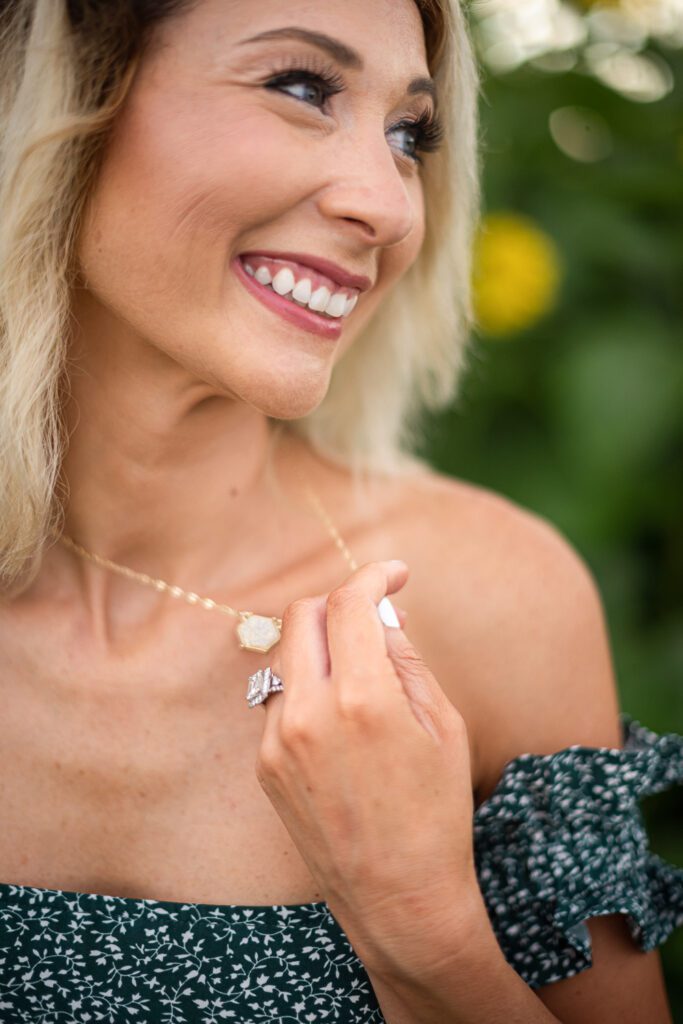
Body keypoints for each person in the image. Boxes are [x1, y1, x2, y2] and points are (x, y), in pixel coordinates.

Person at [0, 1, 680, 1021]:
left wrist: (422, 926)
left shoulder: (496, 602)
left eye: (409, 135)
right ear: (61, 98)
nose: (390, 206)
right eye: (301, 88)